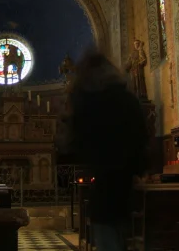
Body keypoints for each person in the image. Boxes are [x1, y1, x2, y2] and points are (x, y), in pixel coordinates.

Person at [67, 49, 149, 250]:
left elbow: (77, 143)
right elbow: (142, 137)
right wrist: (138, 170)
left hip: (104, 187)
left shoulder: (88, 101)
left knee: (107, 235)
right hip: (127, 186)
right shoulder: (127, 98)